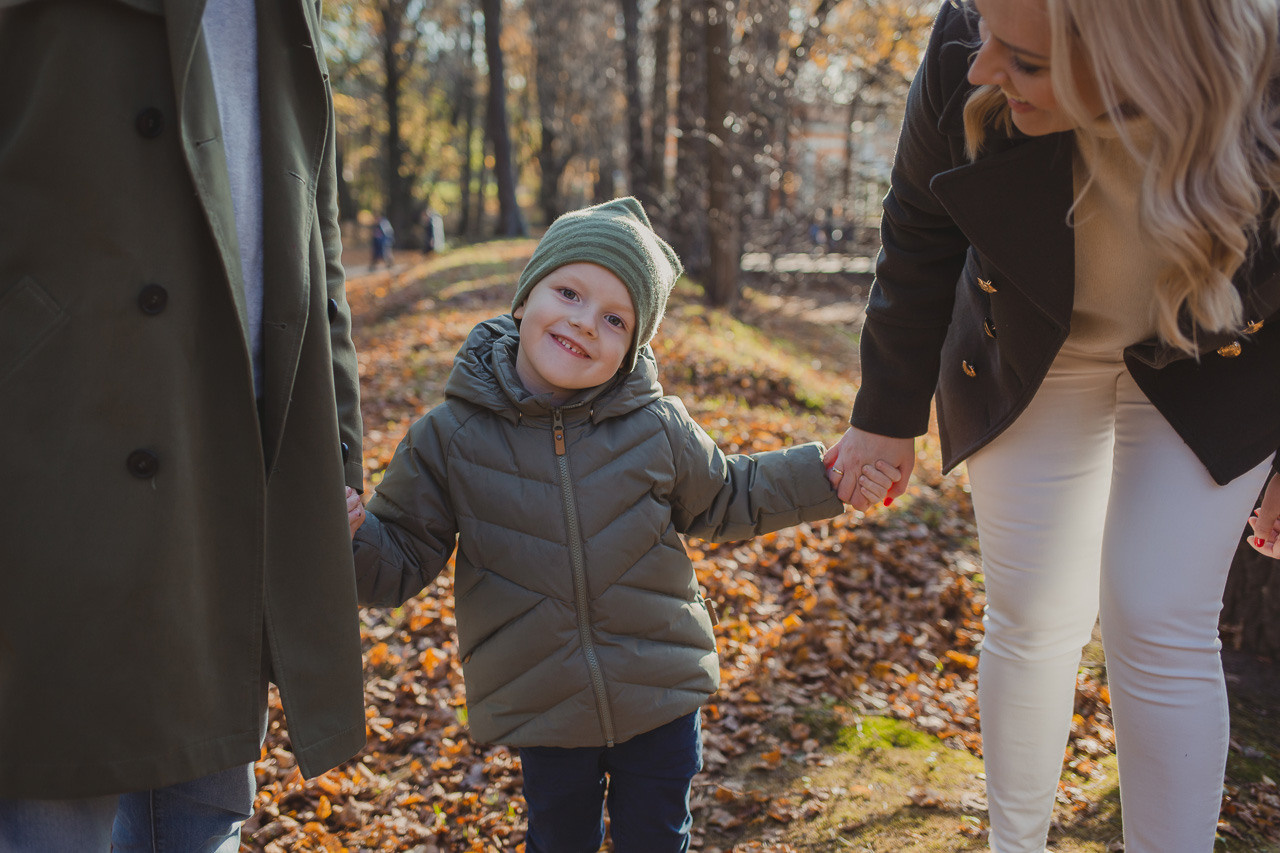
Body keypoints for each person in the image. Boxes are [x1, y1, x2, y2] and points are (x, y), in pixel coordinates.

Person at [824, 1, 1280, 850]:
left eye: (1024, 62)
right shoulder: (973, 32)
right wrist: (886, 413)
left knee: (1158, 613)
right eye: (990, 38)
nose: (981, 68)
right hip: (1031, 334)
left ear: (1134, 60)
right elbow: (918, 225)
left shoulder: (1268, 83)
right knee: (1032, 611)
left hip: (1211, 353)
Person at [345, 197, 897, 852]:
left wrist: (826, 477)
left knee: (657, 838)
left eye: (614, 318)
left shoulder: (655, 426)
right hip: (544, 708)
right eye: (569, 292)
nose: (584, 324)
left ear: (632, 346)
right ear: (526, 298)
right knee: (560, 840)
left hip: (660, 697)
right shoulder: (448, 437)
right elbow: (402, 555)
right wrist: (351, 540)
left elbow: (731, 494)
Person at [0, 0, 367, 850]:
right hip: (54, 439)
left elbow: (317, 224)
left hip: (228, 456)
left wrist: (336, 443)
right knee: (52, 800)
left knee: (202, 806)